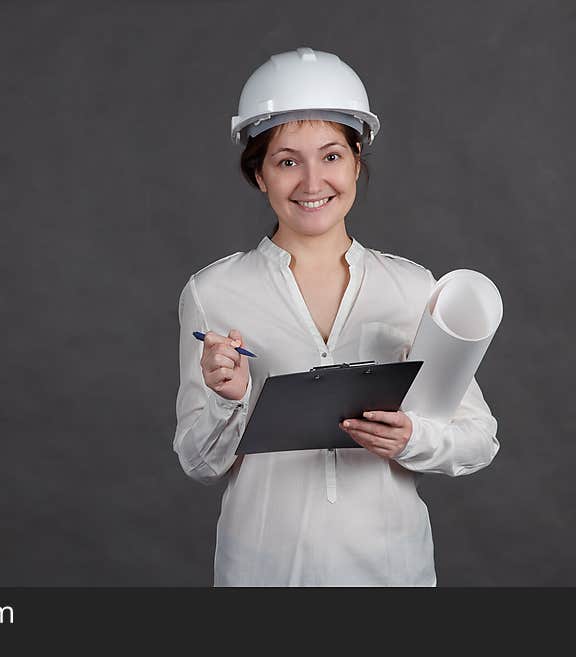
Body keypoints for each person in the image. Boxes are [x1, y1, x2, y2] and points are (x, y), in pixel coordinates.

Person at [172, 47, 500, 586]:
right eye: (286, 161)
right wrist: (228, 401)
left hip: (389, 570)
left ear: (355, 161)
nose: (311, 182)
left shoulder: (413, 288)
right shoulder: (214, 292)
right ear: (258, 174)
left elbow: (479, 438)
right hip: (263, 570)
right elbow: (198, 463)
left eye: (330, 156)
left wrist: (411, 438)